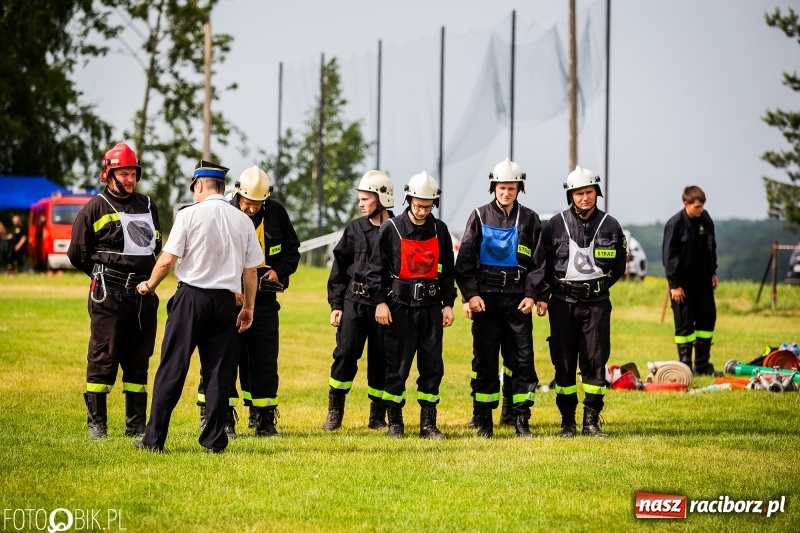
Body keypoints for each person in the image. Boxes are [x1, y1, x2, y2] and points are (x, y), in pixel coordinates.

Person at [133, 160, 263, 454]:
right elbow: (251, 271)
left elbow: (167, 260)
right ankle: (215, 440)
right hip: (227, 302)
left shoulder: (189, 215)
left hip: (192, 299)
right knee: (218, 373)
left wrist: (149, 285)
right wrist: (249, 308)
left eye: (194, 188)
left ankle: (153, 439)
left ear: (200, 185)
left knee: (172, 368)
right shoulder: (243, 220)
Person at [196, 165, 300, 438]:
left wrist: (279, 270)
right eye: (246, 203)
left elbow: (292, 251)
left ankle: (263, 419)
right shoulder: (224, 213)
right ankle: (219, 417)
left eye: (256, 204)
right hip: (228, 298)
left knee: (264, 359)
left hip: (264, 300)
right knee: (223, 358)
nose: (251, 209)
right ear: (237, 194)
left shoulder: (276, 213)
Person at [67, 142, 162, 440]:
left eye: (133, 173)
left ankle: (135, 425)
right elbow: (77, 252)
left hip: (143, 294)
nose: (130, 179)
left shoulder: (148, 205)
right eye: (124, 173)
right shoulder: (94, 207)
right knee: (103, 356)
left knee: (139, 358)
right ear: (109, 173)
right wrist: (103, 275)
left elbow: (155, 246)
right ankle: (98, 424)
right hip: (107, 294)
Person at [455, 158, 547, 438]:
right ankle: (484, 420)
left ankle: (521, 419)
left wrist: (532, 295)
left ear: (520, 188)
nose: (505, 192)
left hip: (517, 301)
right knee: (484, 361)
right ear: (493, 187)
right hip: (486, 301)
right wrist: (470, 295)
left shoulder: (530, 219)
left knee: (522, 360)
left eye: (511, 187)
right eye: (501, 187)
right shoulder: (479, 216)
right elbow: (465, 261)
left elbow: (539, 263)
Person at [365, 171, 457, 439]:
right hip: (398, 307)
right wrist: (380, 303)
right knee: (397, 366)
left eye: (427, 206)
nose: (421, 211)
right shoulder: (390, 229)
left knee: (432, 366)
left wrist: (448, 304)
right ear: (408, 200)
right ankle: (395, 422)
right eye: (417, 205)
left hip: (430, 307)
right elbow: (375, 271)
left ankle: (428, 424)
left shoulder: (440, 230)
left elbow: (448, 272)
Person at [540, 165, 626, 438]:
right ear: (571, 195)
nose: (584, 198)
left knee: (595, 360)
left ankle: (591, 421)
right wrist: (547, 295)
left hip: (597, 303)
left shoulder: (611, 225)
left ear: (596, 193)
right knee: (563, 362)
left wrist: (596, 288)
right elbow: (543, 264)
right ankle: (567, 422)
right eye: (578, 193)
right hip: (563, 303)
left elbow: (620, 266)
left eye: (589, 192)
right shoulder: (554, 224)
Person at [323, 170, 395, 431]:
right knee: (345, 354)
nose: (361, 204)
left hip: (384, 306)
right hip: (354, 301)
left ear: (382, 198)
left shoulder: (397, 229)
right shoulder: (354, 228)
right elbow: (339, 271)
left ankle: (377, 416)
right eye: (360, 200)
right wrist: (336, 306)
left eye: (366, 199)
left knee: (381, 360)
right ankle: (335, 412)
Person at [662, 185, 721, 376]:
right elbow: (669, 256)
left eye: (702, 206)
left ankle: (702, 365)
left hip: (704, 281)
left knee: (707, 320)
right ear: (685, 203)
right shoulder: (675, 224)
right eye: (696, 207)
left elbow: (711, 248)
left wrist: (713, 273)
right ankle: (685, 366)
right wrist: (674, 285)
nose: (700, 210)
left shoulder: (706, 219)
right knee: (684, 325)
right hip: (682, 285)